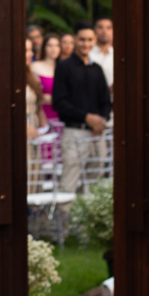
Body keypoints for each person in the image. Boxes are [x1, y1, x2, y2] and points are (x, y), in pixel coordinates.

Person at [52, 23, 111, 194]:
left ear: (94, 41)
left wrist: (100, 121)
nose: (86, 44)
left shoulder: (97, 69)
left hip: (97, 134)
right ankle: (64, 220)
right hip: (74, 133)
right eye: (82, 40)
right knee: (70, 181)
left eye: (89, 40)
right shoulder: (64, 67)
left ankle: (90, 220)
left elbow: (106, 101)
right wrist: (86, 117)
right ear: (75, 40)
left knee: (95, 183)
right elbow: (59, 103)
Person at [32, 34, 61, 124]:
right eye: (50, 45)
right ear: (44, 47)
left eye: (57, 45)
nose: (54, 49)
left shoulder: (64, 68)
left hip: (61, 114)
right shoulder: (35, 67)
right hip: (42, 113)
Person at [24, 37, 48, 138]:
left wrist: (45, 127)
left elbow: (39, 107)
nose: (31, 54)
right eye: (26, 51)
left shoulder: (32, 75)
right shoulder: (8, 78)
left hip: (35, 130)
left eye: (31, 50)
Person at [90, 17, 115, 90]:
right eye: (100, 27)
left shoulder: (117, 54)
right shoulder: (88, 54)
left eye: (108, 28)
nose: (104, 31)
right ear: (94, 30)